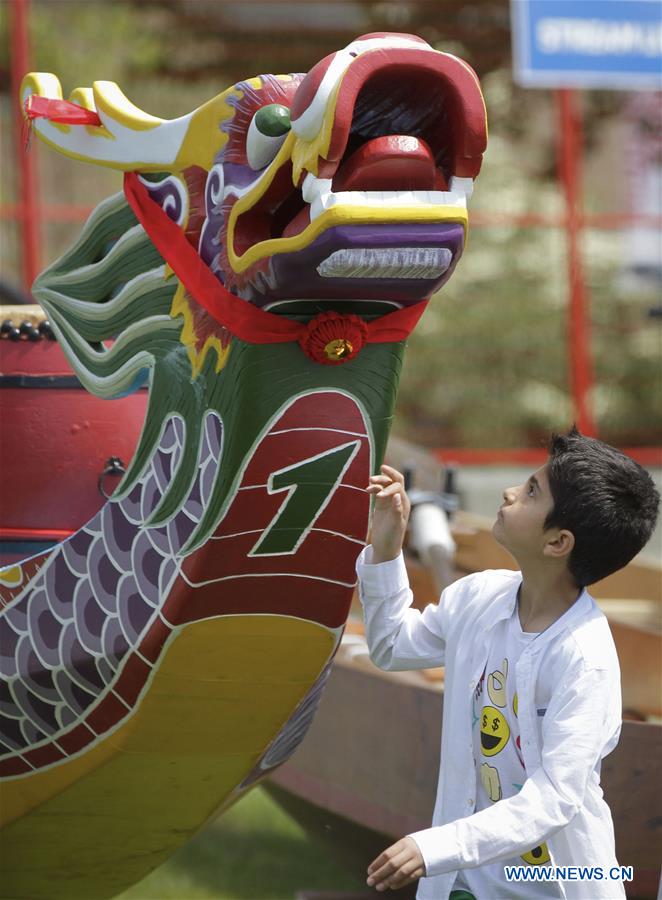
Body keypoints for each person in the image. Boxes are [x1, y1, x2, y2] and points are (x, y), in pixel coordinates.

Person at [356, 428, 660, 900]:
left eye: (532, 491)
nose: (510, 491)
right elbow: (393, 645)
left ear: (558, 543)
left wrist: (436, 844)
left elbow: (554, 799)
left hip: (556, 886)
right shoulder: (478, 597)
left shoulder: (584, 660)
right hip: (465, 879)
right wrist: (387, 550)